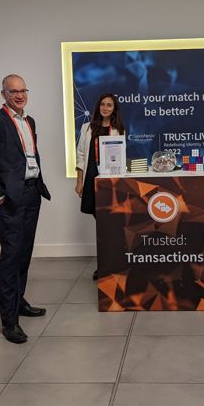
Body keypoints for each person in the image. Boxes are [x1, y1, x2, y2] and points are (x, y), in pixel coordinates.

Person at [0, 74, 50, 343]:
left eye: (23, 91)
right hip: (10, 199)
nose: (19, 95)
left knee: (24, 253)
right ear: (3, 94)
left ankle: (19, 302)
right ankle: (9, 321)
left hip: (32, 194)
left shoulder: (29, 121)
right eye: (13, 91)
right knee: (10, 257)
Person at [75, 93, 125, 280]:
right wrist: (79, 181)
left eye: (109, 105)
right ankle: (103, 265)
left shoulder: (118, 130)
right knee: (101, 225)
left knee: (110, 225)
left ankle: (113, 263)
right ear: (98, 107)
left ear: (114, 109)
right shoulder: (87, 127)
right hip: (90, 178)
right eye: (102, 104)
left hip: (109, 181)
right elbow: (80, 155)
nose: (105, 108)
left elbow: (120, 157)